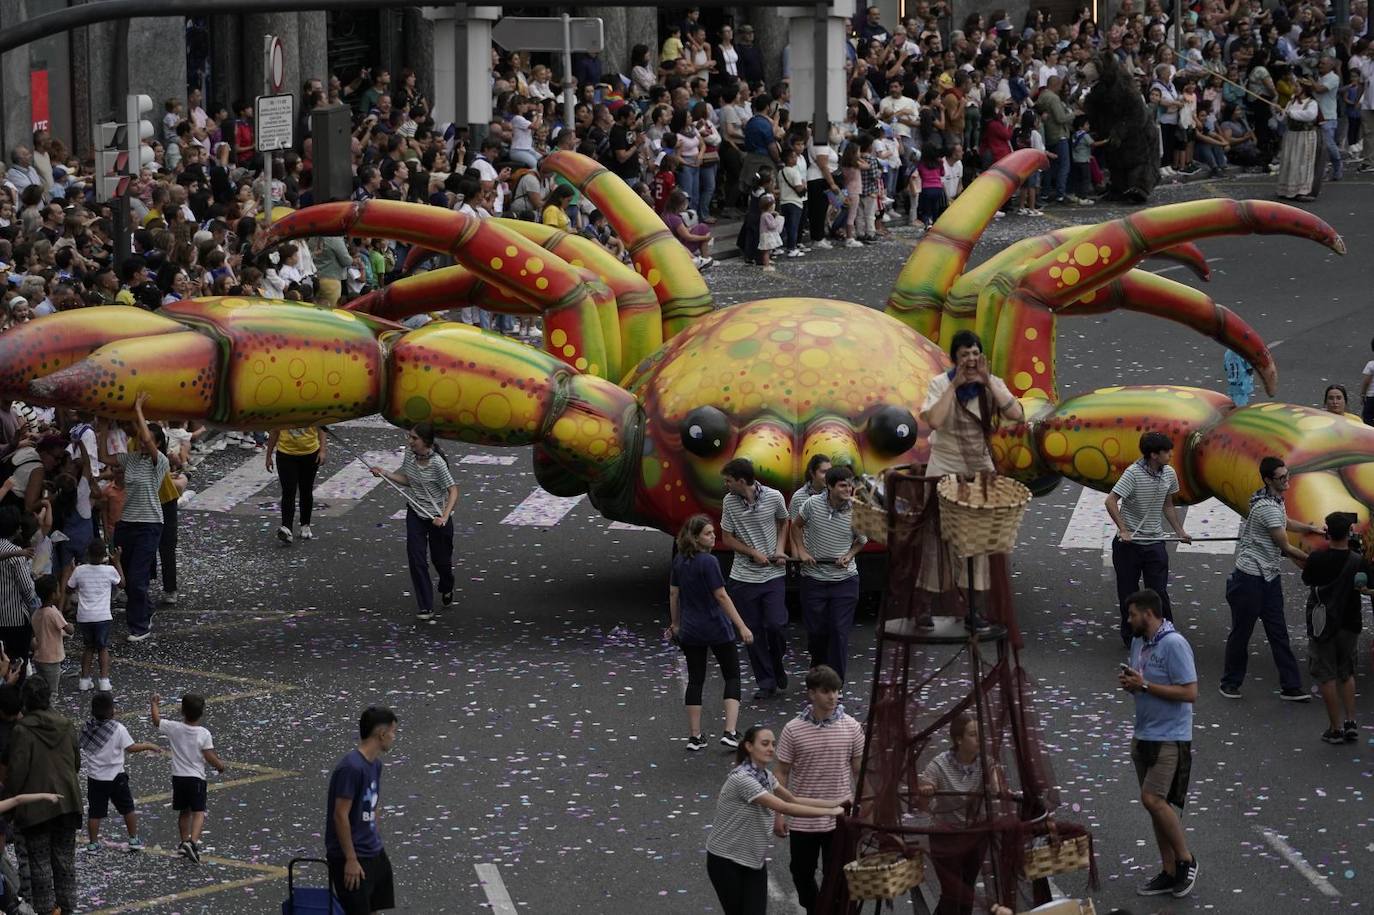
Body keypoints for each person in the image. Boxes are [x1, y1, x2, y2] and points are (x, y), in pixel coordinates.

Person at [920, 330, 1026, 631]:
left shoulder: (990, 384)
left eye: (975, 354)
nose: (970, 359)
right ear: (955, 358)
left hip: (979, 469)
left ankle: (973, 611)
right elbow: (935, 420)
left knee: (977, 539)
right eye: (965, 354)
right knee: (936, 538)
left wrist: (988, 381)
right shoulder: (940, 384)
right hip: (944, 466)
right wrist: (954, 385)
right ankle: (925, 607)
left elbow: (1016, 413)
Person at [705, 725, 849, 915]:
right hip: (726, 860)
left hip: (753, 860)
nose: (771, 748)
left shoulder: (766, 776)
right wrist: (832, 812)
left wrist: (837, 802)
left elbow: (792, 799)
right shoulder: (742, 779)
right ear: (749, 746)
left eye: (773, 744)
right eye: (765, 744)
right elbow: (784, 807)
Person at [1218, 456, 1322, 702]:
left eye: (1288, 475)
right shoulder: (1266, 508)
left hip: (1269, 577)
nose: (1287, 481)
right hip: (1249, 579)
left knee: (1279, 633)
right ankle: (1230, 682)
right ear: (1268, 480)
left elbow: (1285, 522)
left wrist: (1309, 529)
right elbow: (1285, 545)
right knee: (1241, 633)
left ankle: (1291, 686)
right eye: (1282, 478)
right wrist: (1315, 560)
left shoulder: (1273, 499)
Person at [1118, 589, 1199, 899]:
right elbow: (1143, 684)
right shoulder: (1139, 643)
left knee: (1153, 799)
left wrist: (1146, 685)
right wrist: (1133, 685)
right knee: (1155, 807)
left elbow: (1190, 692)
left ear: (1149, 615)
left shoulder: (1174, 644)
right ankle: (1168, 871)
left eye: (1132, 614)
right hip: (1144, 733)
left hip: (1170, 736)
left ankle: (1186, 861)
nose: (1129, 620)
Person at [773, 665, 863, 915]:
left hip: (840, 817)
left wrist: (868, 806)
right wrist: (779, 814)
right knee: (801, 872)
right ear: (811, 694)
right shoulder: (793, 730)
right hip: (804, 818)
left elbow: (859, 770)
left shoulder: (852, 727)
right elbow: (781, 772)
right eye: (826, 691)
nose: (833, 697)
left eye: (835, 691)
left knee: (841, 875)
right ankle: (816, 909)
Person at [669, 514, 753, 751]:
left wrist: (675, 624)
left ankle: (695, 736)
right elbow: (721, 596)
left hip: (690, 629)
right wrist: (742, 625)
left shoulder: (679, 561)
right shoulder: (709, 562)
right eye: (708, 533)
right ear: (695, 538)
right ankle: (730, 731)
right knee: (732, 676)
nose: (713, 536)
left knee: (696, 679)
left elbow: (674, 594)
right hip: (716, 627)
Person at [5, 677, 83, 915]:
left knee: (40, 867)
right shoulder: (66, 723)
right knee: (65, 862)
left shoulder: (23, 730)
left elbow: (17, 772)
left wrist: (9, 806)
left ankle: (48, 911)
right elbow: (76, 763)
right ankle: (68, 909)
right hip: (67, 802)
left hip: (37, 807)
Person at [1105, 432, 1191, 644]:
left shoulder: (1169, 473)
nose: (1171, 454)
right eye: (1167, 451)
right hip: (1129, 545)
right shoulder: (1133, 474)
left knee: (1158, 592)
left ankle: (1165, 633)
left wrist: (1180, 531)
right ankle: (1131, 637)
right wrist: (1123, 530)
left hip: (1154, 543)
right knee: (1128, 591)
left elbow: (1168, 505)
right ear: (1153, 455)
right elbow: (1111, 501)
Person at [369, 423, 459, 622]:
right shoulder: (410, 456)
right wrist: (384, 472)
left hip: (437, 517)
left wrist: (444, 517)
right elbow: (409, 480)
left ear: (425, 442)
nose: (409, 441)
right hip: (416, 512)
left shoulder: (437, 464)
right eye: (409, 437)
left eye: (413, 438)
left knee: (441, 561)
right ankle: (425, 605)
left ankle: (447, 586)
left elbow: (453, 490)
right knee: (416, 558)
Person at [96, 393, 167, 642]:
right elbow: (104, 457)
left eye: (148, 438)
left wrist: (138, 409)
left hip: (149, 525)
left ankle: (139, 626)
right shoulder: (130, 460)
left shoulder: (160, 462)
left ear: (157, 444)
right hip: (127, 524)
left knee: (137, 579)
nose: (142, 439)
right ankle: (145, 609)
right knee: (126, 577)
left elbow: (145, 437)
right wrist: (103, 427)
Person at [917, 713, 1004, 915]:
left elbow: (996, 789)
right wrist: (928, 789)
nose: (979, 739)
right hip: (945, 837)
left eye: (980, 734)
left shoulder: (986, 762)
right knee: (952, 893)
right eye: (973, 735)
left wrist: (994, 779)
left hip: (975, 835)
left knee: (967, 888)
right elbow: (925, 787)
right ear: (958, 739)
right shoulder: (939, 764)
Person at [719, 458, 789, 700]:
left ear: (741, 481)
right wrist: (752, 552)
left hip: (772, 573)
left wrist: (779, 549)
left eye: (728, 480)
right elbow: (727, 538)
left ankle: (777, 663)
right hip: (743, 575)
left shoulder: (774, 497)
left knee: (776, 624)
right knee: (753, 631)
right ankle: (766, 681)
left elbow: (783, 521)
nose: (725, 485)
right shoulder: (729, 502)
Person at [793, 466, 867, 682]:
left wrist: (849, 555)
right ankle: (818, 671)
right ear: (830, 486)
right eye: (843, 485)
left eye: (850, 485)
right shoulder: (811, 504)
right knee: (817, 632)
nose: (848, 489)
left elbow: (861, 541)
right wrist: (802, 551)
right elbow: (795, 527)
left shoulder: (857, 509)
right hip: (813, 578)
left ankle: (834, 684)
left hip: (844, 580)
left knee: (838, 631)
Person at [1302, 512, 1369, 744]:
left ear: (1328, 533)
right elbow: (1367, 584)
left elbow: (1307, 579)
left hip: (1323, 623)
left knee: (1326, 675)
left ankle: (1335, 727)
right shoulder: (1358, 561)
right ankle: (1351, 721)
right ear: (1349, 533)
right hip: (1350, 622)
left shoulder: (1317, 559)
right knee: (1346, 672)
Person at [327, 706, 399, 915]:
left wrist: (374, 836)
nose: (394, 737)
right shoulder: (351, 768)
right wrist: (350, 859)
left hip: (374, 853)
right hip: (352, 857)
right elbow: (340, 815)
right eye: (393, 732)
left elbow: (372, 805)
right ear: (381, 733)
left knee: (373, 909)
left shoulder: (375, 765)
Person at [80, 691, 161, 851]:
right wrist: (148, 745)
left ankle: (93, 842)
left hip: (95, 778)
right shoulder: (118, 729)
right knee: (127, 808)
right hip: (117, 777)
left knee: (95, 812)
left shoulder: (88, 728)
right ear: (112, 711)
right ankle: (133, 838)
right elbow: (131, 748)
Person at [151, 691, 227, 863]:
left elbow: (156, 721)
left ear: (182, 711)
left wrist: (154, 703)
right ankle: (192, 842)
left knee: (184, 811)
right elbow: (209, 755)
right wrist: (220, 766)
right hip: (196, 778)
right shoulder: (203, 733)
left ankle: (184, 841)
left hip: (178, 778)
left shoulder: (174, 728)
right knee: (199, 811)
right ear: (201, 713)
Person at [266, 426, 327, 543]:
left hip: (310, 453)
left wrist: (323, 450)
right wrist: (268, 455)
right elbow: (274, 431)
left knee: (306, 490)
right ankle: (286, 527)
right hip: (285, 454)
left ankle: (305, 525)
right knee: (288, 491)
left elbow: (322, 428)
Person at [0, 507, 38, 671]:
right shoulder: (17, 555)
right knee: (17, 664)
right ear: (16, 529)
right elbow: (28, 590)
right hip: (14, 618)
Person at [1276, 81, 1323, 201]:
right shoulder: (1291, 102)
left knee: (1303, 163)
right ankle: (1286, 190)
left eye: (1297, 86)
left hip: (1305, 136)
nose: (1295, 88)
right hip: (1291, 136)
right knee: (1290, 161)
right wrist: (1279, 111)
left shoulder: (1312, 103)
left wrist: (1290, 113)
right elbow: (1283, 119)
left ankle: (1303, 191)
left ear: (1304, 89)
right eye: (1294, 86)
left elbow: (1309, 115)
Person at [29, 575, 69, 698]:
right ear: (52, 594)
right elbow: (69, 629)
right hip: (52, 659)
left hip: (39, 657)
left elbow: (40, 631)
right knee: (52, 691)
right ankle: (49, 712)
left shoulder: (37, 612)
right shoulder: (53, 612)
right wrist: (70, 625)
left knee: (42, 689)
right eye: (57, 590)